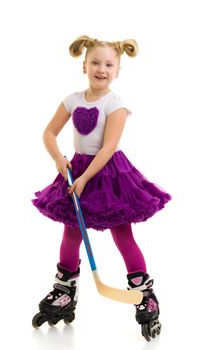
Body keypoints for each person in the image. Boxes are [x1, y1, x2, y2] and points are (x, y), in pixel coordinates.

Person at [31, 35, 171, 340]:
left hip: (109, 175)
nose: (101, 69)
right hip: (76, 170)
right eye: (95, 62)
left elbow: (107, 148)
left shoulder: (115, 104)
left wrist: (85, 179)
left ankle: (144, 293)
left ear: (118, 70)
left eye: (109, 64)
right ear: (84, 65)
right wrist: (59, 160)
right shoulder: (72, 100)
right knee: (71, 231)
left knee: (123, 235)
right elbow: (49, 133)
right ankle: (65, 289)